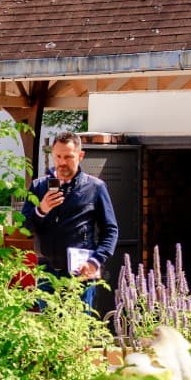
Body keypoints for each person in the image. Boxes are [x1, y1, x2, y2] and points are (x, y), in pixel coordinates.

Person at [20, 132, 120, 311]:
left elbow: (110, 231)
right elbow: (26, 228)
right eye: (58, 156)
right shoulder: (39, 186)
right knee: (50, 329)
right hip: (46, 271)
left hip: (80, 271)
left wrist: (95, 261)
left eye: (68, 157)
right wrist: (41, 210)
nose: (61, 162)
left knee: (79, 328)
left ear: (80, 156)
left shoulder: (95, 187)